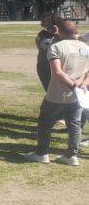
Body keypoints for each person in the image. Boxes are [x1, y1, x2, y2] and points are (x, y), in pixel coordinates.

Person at [25, 18, 88, 166]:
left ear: (59, 31)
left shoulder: (56, 47)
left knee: (45, 123)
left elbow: (58, 72)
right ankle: (72, 155)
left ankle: (42, 153)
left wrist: (71, 84)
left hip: (56, 93)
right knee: (75, 125)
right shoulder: (86, 48)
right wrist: (83, 84)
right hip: (78, 95)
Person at [35, 14, 60, 90]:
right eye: (45, 21)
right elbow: (39, 46)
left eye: (49, 21)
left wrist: (58, 33)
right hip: (43, 65)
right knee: (48, 89)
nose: (47, 24)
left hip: (57, 66)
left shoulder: (62, 34)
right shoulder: (42, 34)